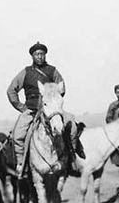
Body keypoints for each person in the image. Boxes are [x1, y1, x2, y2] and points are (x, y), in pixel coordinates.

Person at [7, 42, 85, 177]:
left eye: (42, 54)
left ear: (45, 55)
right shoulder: (25, 72)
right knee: (18, 134)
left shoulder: (52, 70)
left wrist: (54, 101)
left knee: (72, 127)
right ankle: (21, 164)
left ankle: (72, 159)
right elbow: (11, 90)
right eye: (36, 54)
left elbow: (62, 88)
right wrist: (22, 107)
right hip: (31, 109)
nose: (39, 56)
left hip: (52, 110)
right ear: (32, 56)